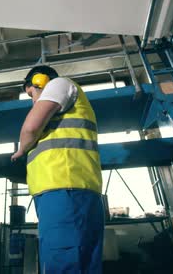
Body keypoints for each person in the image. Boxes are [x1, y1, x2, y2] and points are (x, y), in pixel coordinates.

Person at [11, 65, 104, 273]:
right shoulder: (63, 104)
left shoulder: (58, 84)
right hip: (68, 190)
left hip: (65, 188)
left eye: (31, 93)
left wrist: (21, 150)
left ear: (39, 81)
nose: (33, 100)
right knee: (79, 262)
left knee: (65, 262)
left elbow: (30, 128)